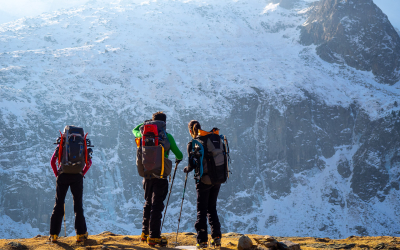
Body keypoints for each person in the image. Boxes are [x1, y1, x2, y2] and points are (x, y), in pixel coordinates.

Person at [132, 111, 183, 246]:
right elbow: (179, 154)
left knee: (148, 202)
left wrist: (146, 125)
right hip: (161, 175)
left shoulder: (143, 134)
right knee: (157, 204)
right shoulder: (167, 136)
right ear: (164, 123)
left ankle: (145, 233)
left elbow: (134, 130)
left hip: (147, 173)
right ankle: (154, 236)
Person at [49, 125, 92, 243]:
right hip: (77, 176)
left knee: (59, 204)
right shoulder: (81, 144)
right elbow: (89, 162)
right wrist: (82, 173)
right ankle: (81, 234)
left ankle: (53, 235)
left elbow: (53, 161)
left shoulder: (63, 143)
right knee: (78, 205)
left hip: (62, 175)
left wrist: (57, 174)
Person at [184, 120, 223, 249]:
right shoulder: (209, 140)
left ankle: (202, 240)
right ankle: (216, 237)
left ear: (191, 131)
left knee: (201, 210)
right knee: (212, 208)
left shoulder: (193, 143)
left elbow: (192, 164)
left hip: (203, 180)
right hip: (217, 179)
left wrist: (187, 169)